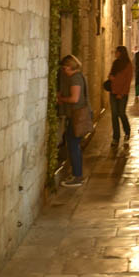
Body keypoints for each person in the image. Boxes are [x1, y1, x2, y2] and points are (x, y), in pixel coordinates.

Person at [57, 55, 87, 186]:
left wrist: (61, 99)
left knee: (73, 145)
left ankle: (77, 177)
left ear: (70, 66)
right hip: (77, 115)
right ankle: (77, 174)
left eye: (64, 68)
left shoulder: (75, 78)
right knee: (74, 145)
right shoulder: (79, 76)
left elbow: (74, 99)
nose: (64, 71)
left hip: (76, 115)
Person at [108, 45, 133, 146]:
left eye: (117, 52)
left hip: (122, 93)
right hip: (113, 92)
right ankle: (116, 137)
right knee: (114, 115)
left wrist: (121, 93)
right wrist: (110, 77)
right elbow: (110, 74)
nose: (115, 53)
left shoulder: (128, 65)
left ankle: (127, 131)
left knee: (121, 113)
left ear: (121, 53)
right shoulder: (115, 63)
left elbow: (128, 81)